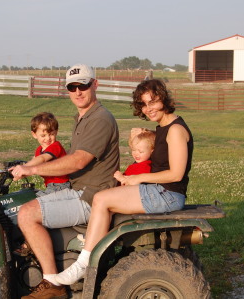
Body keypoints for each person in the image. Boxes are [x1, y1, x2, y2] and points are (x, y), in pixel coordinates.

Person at [55, 79, 193, 285]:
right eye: (144, 104)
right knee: (107, 197)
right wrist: (146, 135)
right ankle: (95, 254)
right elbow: (163, 148)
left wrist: (137, 178)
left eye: (153, 102)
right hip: (160, 191)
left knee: (101, 199)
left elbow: (176, 174)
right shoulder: (165, 127)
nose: (149, 109)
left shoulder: (175, 130)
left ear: (164, 99)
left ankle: (84, 263)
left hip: (168, 194)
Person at [10, 63, 120, 299]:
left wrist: (30, 169)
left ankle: (51, 283)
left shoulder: (100, 118)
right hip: (79, 189)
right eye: (72, 87)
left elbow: (78, 161)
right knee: (27, 202)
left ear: (95, 84)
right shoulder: (84, 117)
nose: (78, 91)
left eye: (84, 85)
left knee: (26, 214)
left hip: (90, 196)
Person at [25, 112, 70, 197]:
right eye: (43, 135)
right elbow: (34, 161)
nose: (48, 138)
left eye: (51, 134)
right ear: (34, 135)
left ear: (56, 132)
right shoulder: (39, 150)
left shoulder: (56, 146)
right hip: (50, 186)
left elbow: (43, 158)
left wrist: (25, 167)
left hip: (60, 186)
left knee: (35, 202)